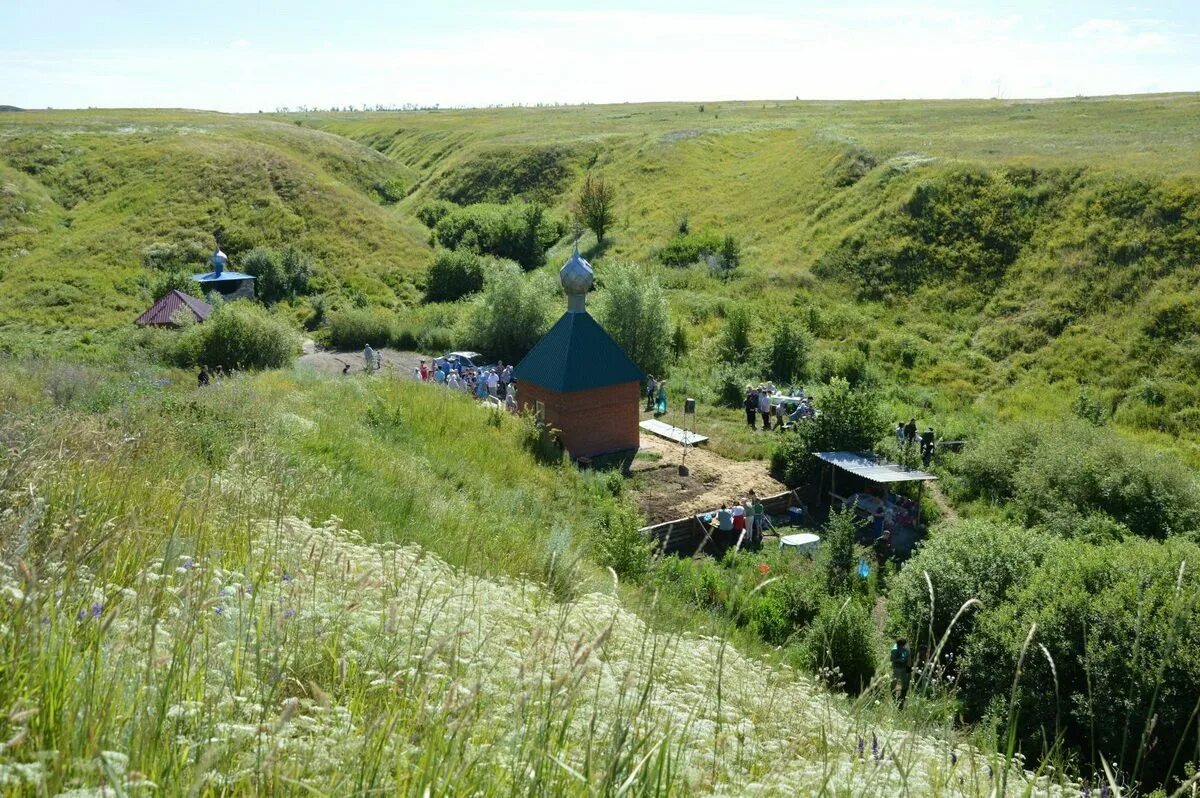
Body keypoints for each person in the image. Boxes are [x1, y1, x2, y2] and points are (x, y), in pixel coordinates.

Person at [890, 638, 912, 707]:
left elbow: (891, 659)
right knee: (904, 682)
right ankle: (902, 695)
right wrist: (909, 668)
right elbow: (909, 662)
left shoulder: (894, 649)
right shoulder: (906, 650)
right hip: (903, 668)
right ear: (904, 644)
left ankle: (893, 693)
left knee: (894, 680)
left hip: (895, 668)